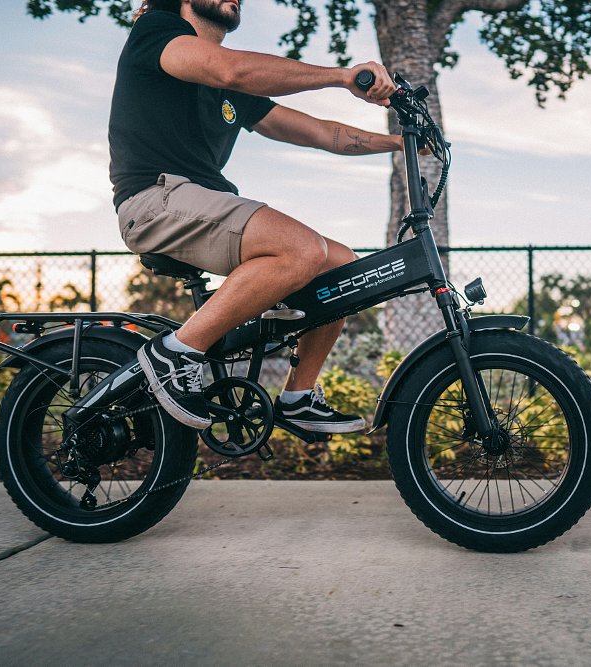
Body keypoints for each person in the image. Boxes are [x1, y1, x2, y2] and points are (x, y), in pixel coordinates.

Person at [109, 0, 400, 433]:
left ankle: (298, 396)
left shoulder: (232, 88)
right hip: (154, 199)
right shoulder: (157, 32)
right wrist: (341, 77)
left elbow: (323, 133)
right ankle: (173, 353)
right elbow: (232, 70)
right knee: (300, 249)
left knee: (342, 268)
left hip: (198, 202)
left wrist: (399, 143)